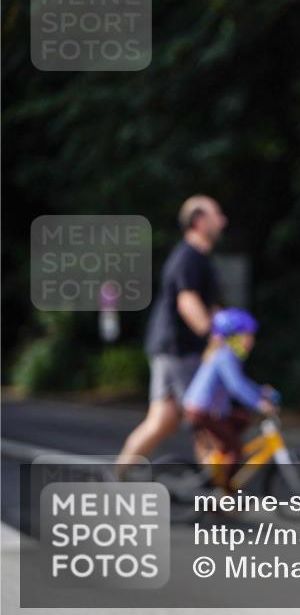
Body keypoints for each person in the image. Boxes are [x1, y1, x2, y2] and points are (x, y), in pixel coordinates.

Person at [116, 195, 226, 471]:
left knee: (162, 420)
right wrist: (216, 337)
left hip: (169, 348)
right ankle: (221, 493)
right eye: (217, 214)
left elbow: (208, 306)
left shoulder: (198, 258)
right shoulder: (189, 257)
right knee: (207, 417)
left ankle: (119, 476)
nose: (223, 221)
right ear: (199, 222)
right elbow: (187, 302)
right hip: (180, 350)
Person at [183, 308, 279, 488]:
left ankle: (218, 463)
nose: (251, 341)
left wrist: (261, 391)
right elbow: (236, 386)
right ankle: (222, 494)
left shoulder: (225, 354)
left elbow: (241, 382)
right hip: (202, 411)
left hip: (205, 409)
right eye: (247, 336)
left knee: (242, 419)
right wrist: (259, 403)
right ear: (233, 337)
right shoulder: (225, 355)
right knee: (234, 447)